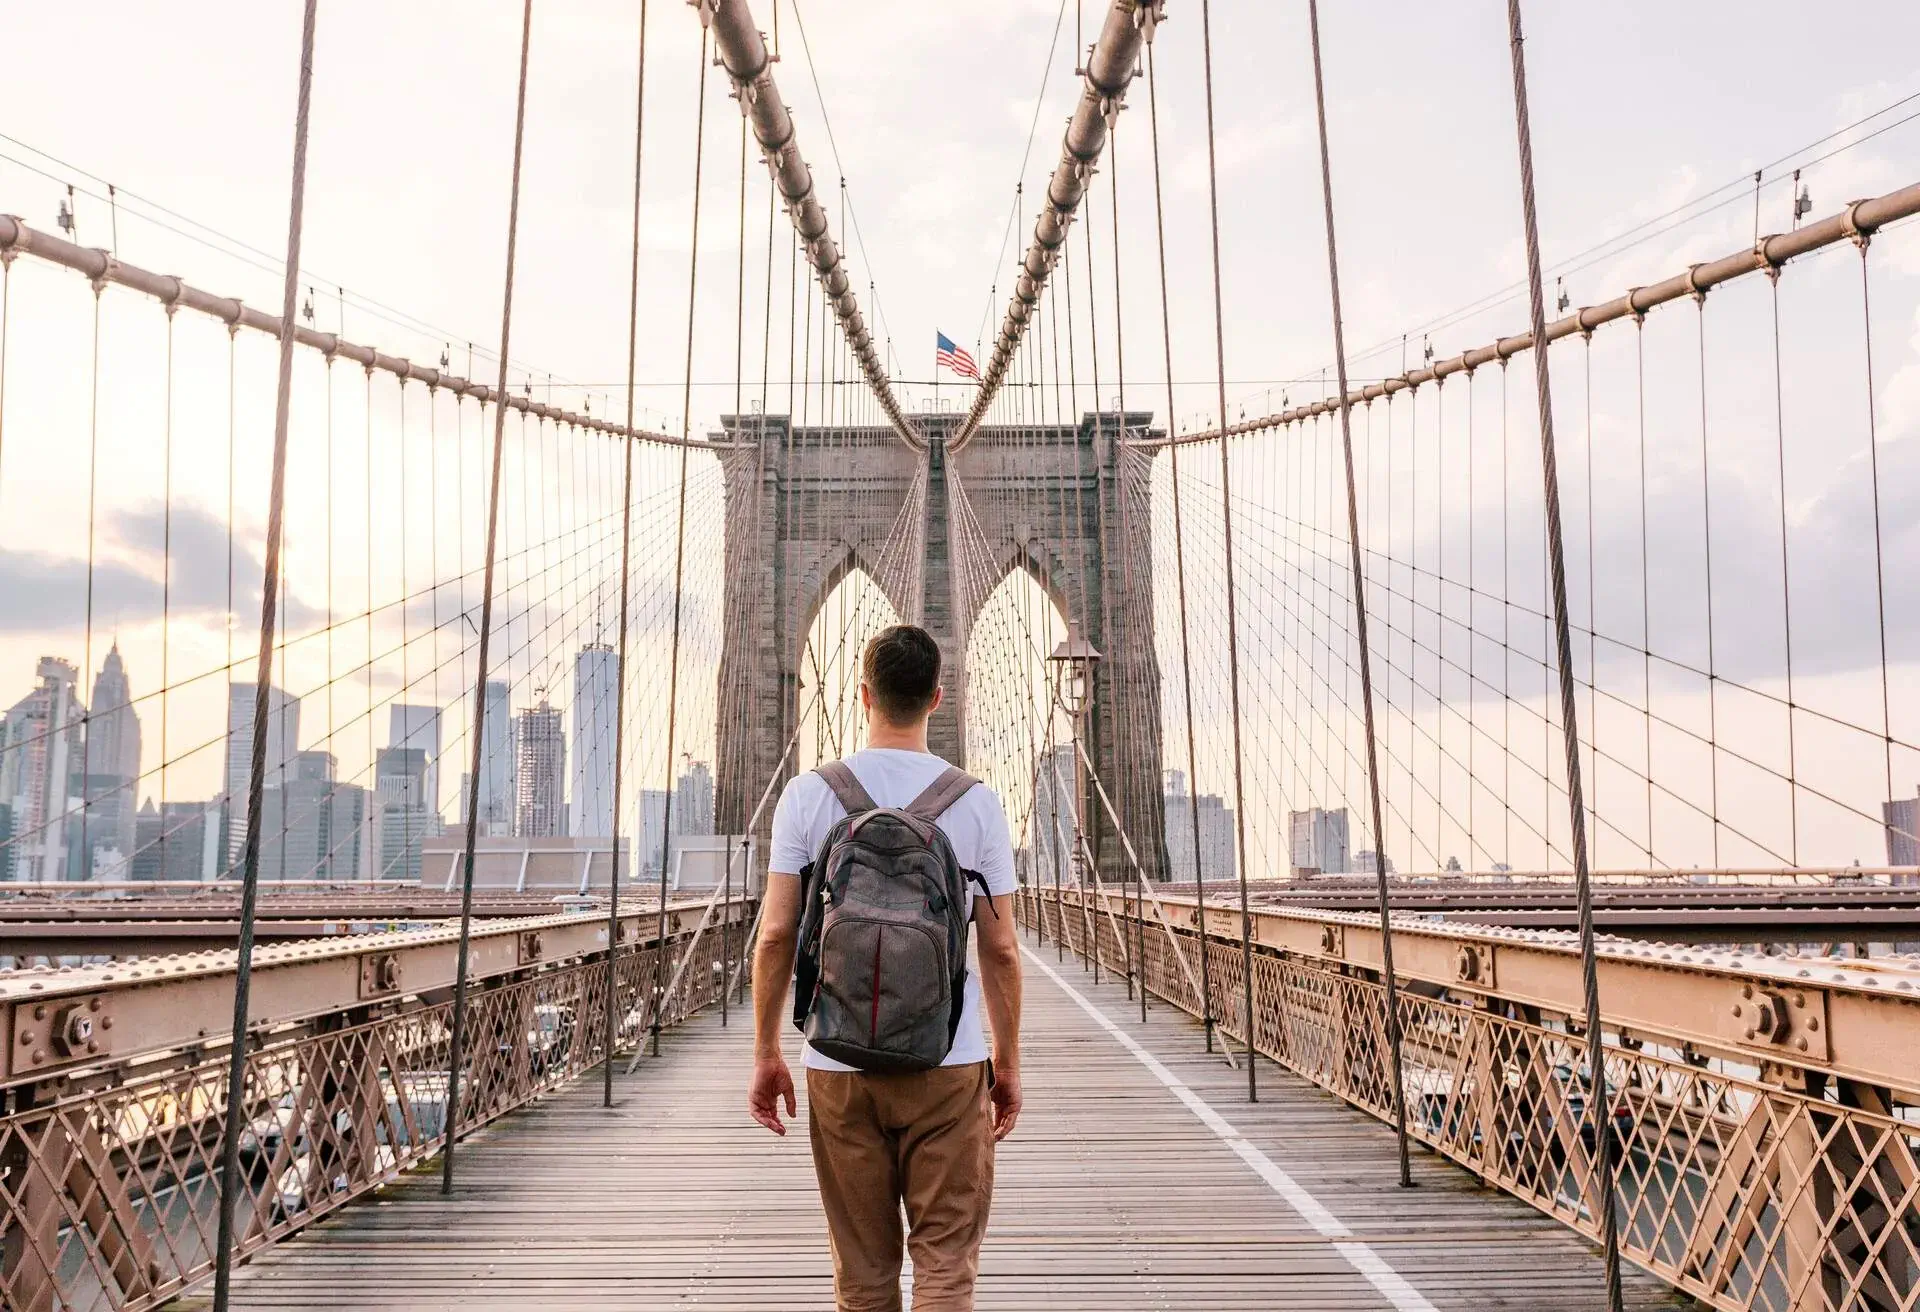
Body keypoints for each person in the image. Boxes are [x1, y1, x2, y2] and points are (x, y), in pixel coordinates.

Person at [749, 623, 1024, 1312]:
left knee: (864, 1278)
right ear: (937, 697)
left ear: (862, 694)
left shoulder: (809, 796)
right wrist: (1006, 1063)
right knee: (945, 1268)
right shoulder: (976, 802)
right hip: (948, 1063)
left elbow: (777, 934)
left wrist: (766, 1052)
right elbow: (1000, 950)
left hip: (839, 1066)